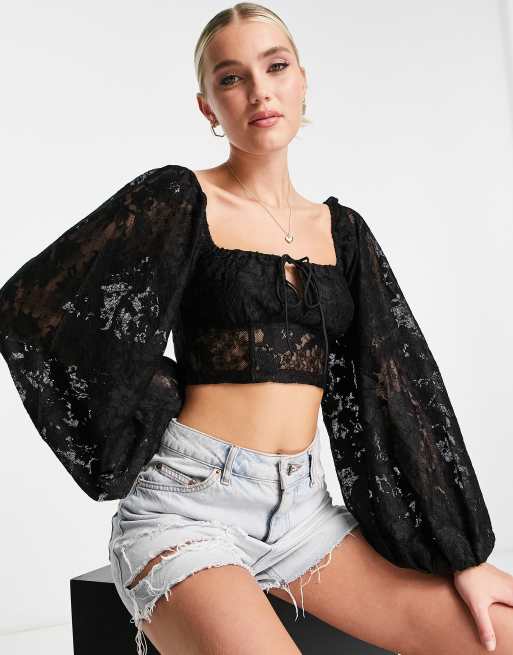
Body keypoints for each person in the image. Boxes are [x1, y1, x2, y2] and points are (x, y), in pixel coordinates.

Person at [1, 3, 511, 655]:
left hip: (305, 513)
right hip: (186, 508)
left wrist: (462, 554)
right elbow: (33, 311)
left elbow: (401, 384)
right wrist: (154, 396)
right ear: (208, 107)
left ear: (302, 82)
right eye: (231, 77)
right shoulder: (179, 199)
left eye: (275, 67)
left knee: (498, 638)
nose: (259, 91)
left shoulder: (344, 233)